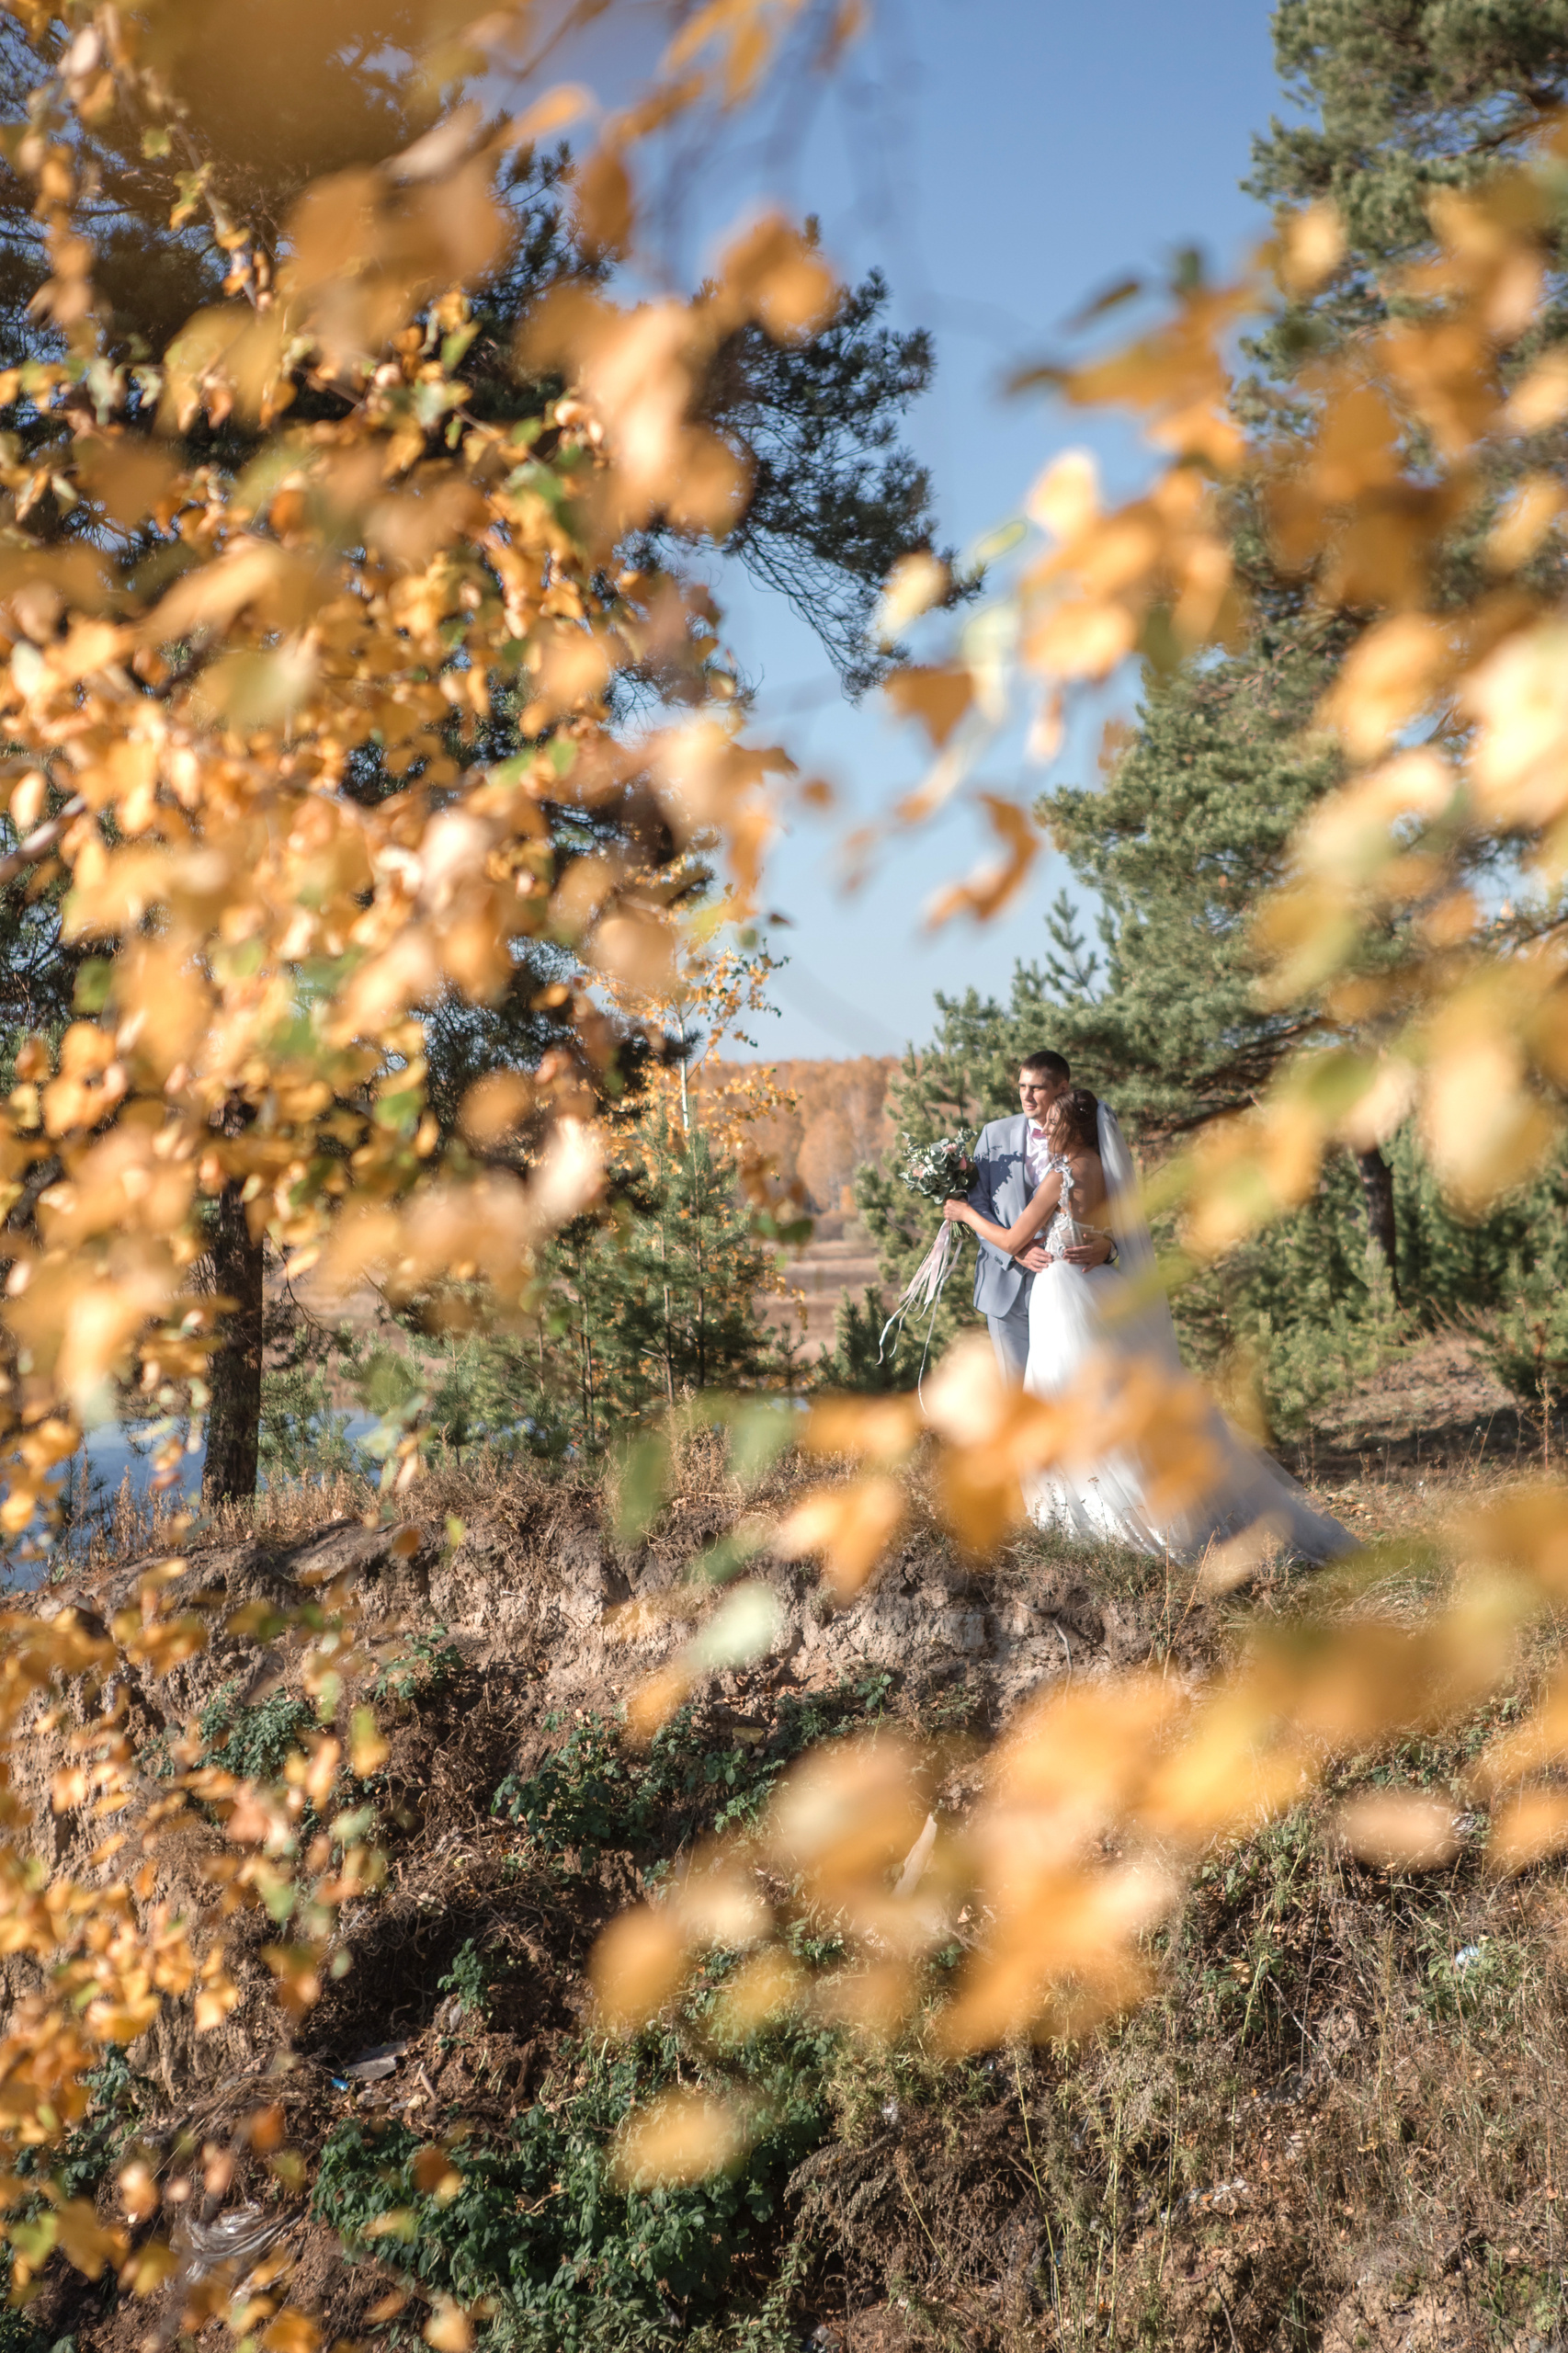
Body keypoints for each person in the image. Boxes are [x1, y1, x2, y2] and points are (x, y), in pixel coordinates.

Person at [944, 1085, 1350, 1564]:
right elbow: (1118, 1231)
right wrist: (1103, 1244)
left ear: (1074, 1128)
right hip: (1097, 1286)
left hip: (1065, 1295)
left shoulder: (1062, 1173)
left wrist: (965, 1212)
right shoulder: (1099, 1169)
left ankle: (1098, 1522)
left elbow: (1014, 1238)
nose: (1045, 1129)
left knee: (1070, 1395)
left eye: (1053, 1123)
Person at [967, 1050, 1112, 1386]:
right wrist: (1012, 1250)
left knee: (1071, 1387)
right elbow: (977, 1201)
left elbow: (1117, 1205)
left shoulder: (1094, 1145)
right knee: (1019, 1392)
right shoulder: (994, 1135)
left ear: (1062, 1088)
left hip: (1072, 1285)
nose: (1027, 1096)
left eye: (1037, 1087)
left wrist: (1108, 1245)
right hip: (1004, 1287)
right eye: (1022, 1086)